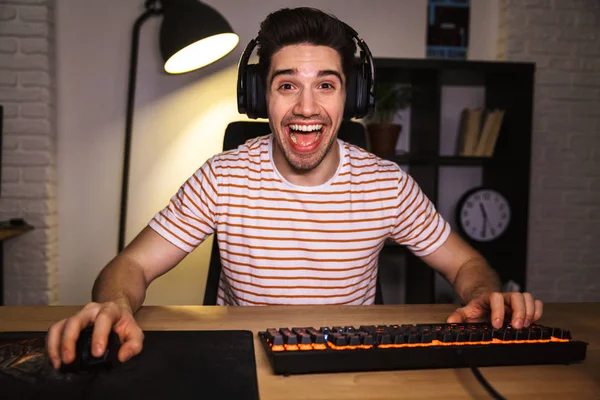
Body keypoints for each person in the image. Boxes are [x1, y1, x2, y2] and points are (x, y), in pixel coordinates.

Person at [46, 7, 543, 370]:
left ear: (353, 96)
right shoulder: (223, 177)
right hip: (245, 365)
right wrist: (114, 304)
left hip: (352, 369)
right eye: (287, 85)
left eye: (325, 85)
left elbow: (467, 264)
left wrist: (484, 294)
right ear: (262, 96)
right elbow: (129, 266)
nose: (306, 108)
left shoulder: (387, 185)